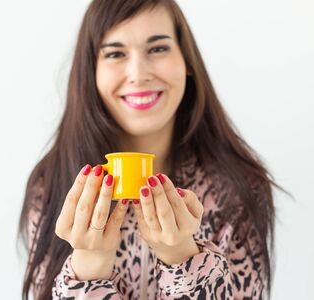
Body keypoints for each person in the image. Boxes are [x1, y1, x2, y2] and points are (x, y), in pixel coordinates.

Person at [18, 0, 284, 299]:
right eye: (115, 53)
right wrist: (89, 269)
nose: (138, 73)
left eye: (157, 49)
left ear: (188, 63)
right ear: (91, 73)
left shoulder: (238, 191)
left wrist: (183, 258)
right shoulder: (52, 186)